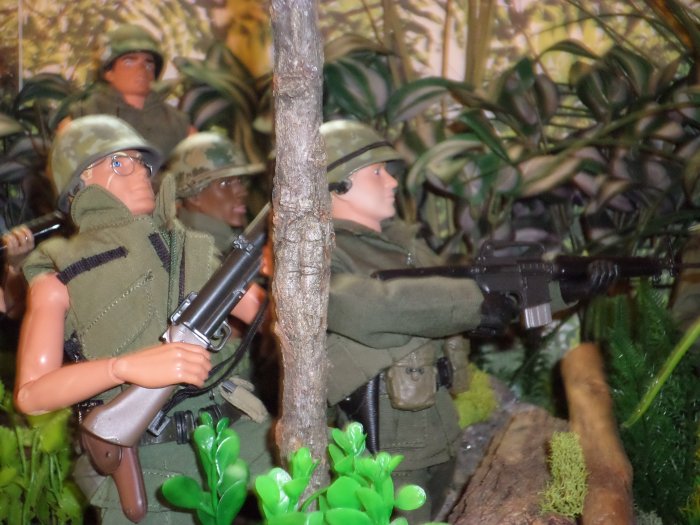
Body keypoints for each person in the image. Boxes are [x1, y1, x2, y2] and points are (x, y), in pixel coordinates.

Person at [319, 119, 616, 523]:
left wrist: (568, 287)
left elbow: (477, 290)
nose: (392, 182)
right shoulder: (325, 251)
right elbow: (369, 307)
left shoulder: (403, 243)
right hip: (382, 435)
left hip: (436, 421)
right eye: (377, 172)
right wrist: (474, 303)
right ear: (338, 184)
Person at [14, 115, 270, 524]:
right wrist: (125, 368)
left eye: (142, 163)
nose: (140, 173)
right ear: (80, 183)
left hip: (241, 439)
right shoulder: (59, 275)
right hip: (156, 464)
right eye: (120, 162)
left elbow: (267, 316)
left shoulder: (187, 245)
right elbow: (31, 394)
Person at [63, 24, 194, 156]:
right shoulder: (84, 116)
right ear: (109, 72)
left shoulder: (178, 123)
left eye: (148, 63)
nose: (141, 69)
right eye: (129, 62)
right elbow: (61, 162)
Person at [163, 132, 266, 254]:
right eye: (225, 183)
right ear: (194, 197)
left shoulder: (224, 242)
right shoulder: (196, 253)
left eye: (240, 180)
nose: (242, 192)